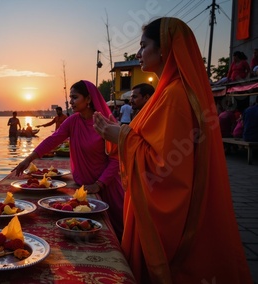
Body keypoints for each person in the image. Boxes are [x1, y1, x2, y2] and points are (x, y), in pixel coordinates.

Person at [92, 17, 252, 283]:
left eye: (144, 46)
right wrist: (117, 135)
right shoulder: (165, 93)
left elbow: (167, 168)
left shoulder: (176, 95)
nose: (138, 53)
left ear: (164, 47)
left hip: (166, 217)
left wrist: (121, 136)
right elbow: (145, 140)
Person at [13, 80, 124, 239]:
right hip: (83, 186)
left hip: (107, 188)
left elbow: (115, 159)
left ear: (88, 99)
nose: (70, 101)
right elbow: (53, 140)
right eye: (70, 97)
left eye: (75, 97)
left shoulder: (105, 123)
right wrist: (28, 159)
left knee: (116, 232)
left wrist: (99, 185)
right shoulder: (73, 121)